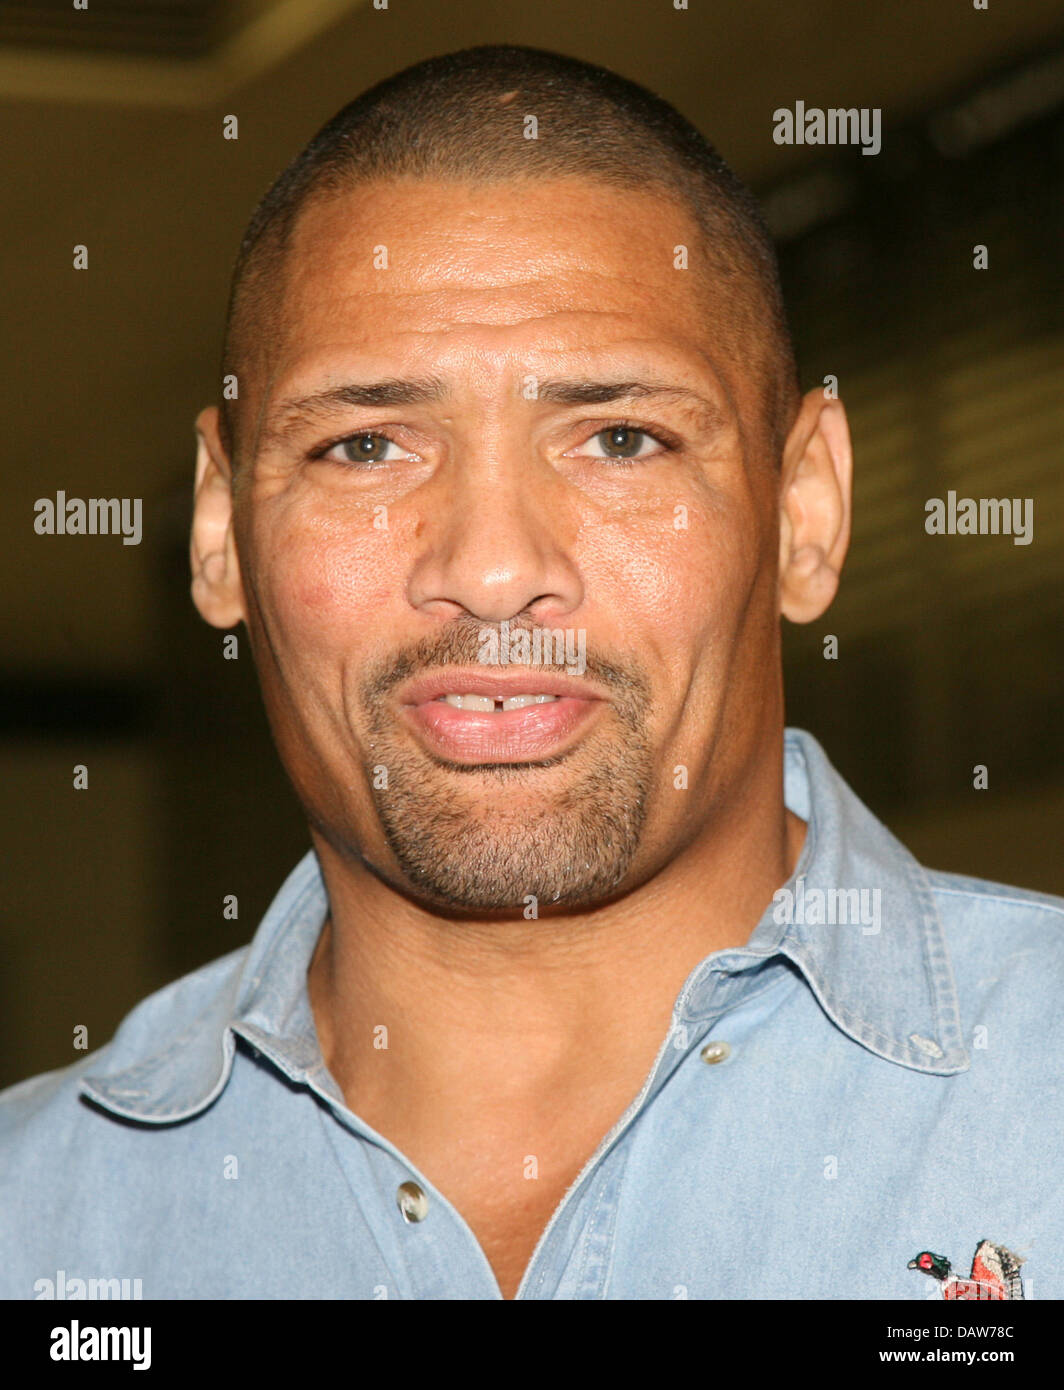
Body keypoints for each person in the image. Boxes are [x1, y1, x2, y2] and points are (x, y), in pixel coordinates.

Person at [2, 44, 1060, 1302]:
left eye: (619, 438)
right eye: (364, 446)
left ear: (808, 511)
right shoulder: (38, 1224)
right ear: (221, 531)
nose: (492, 567)